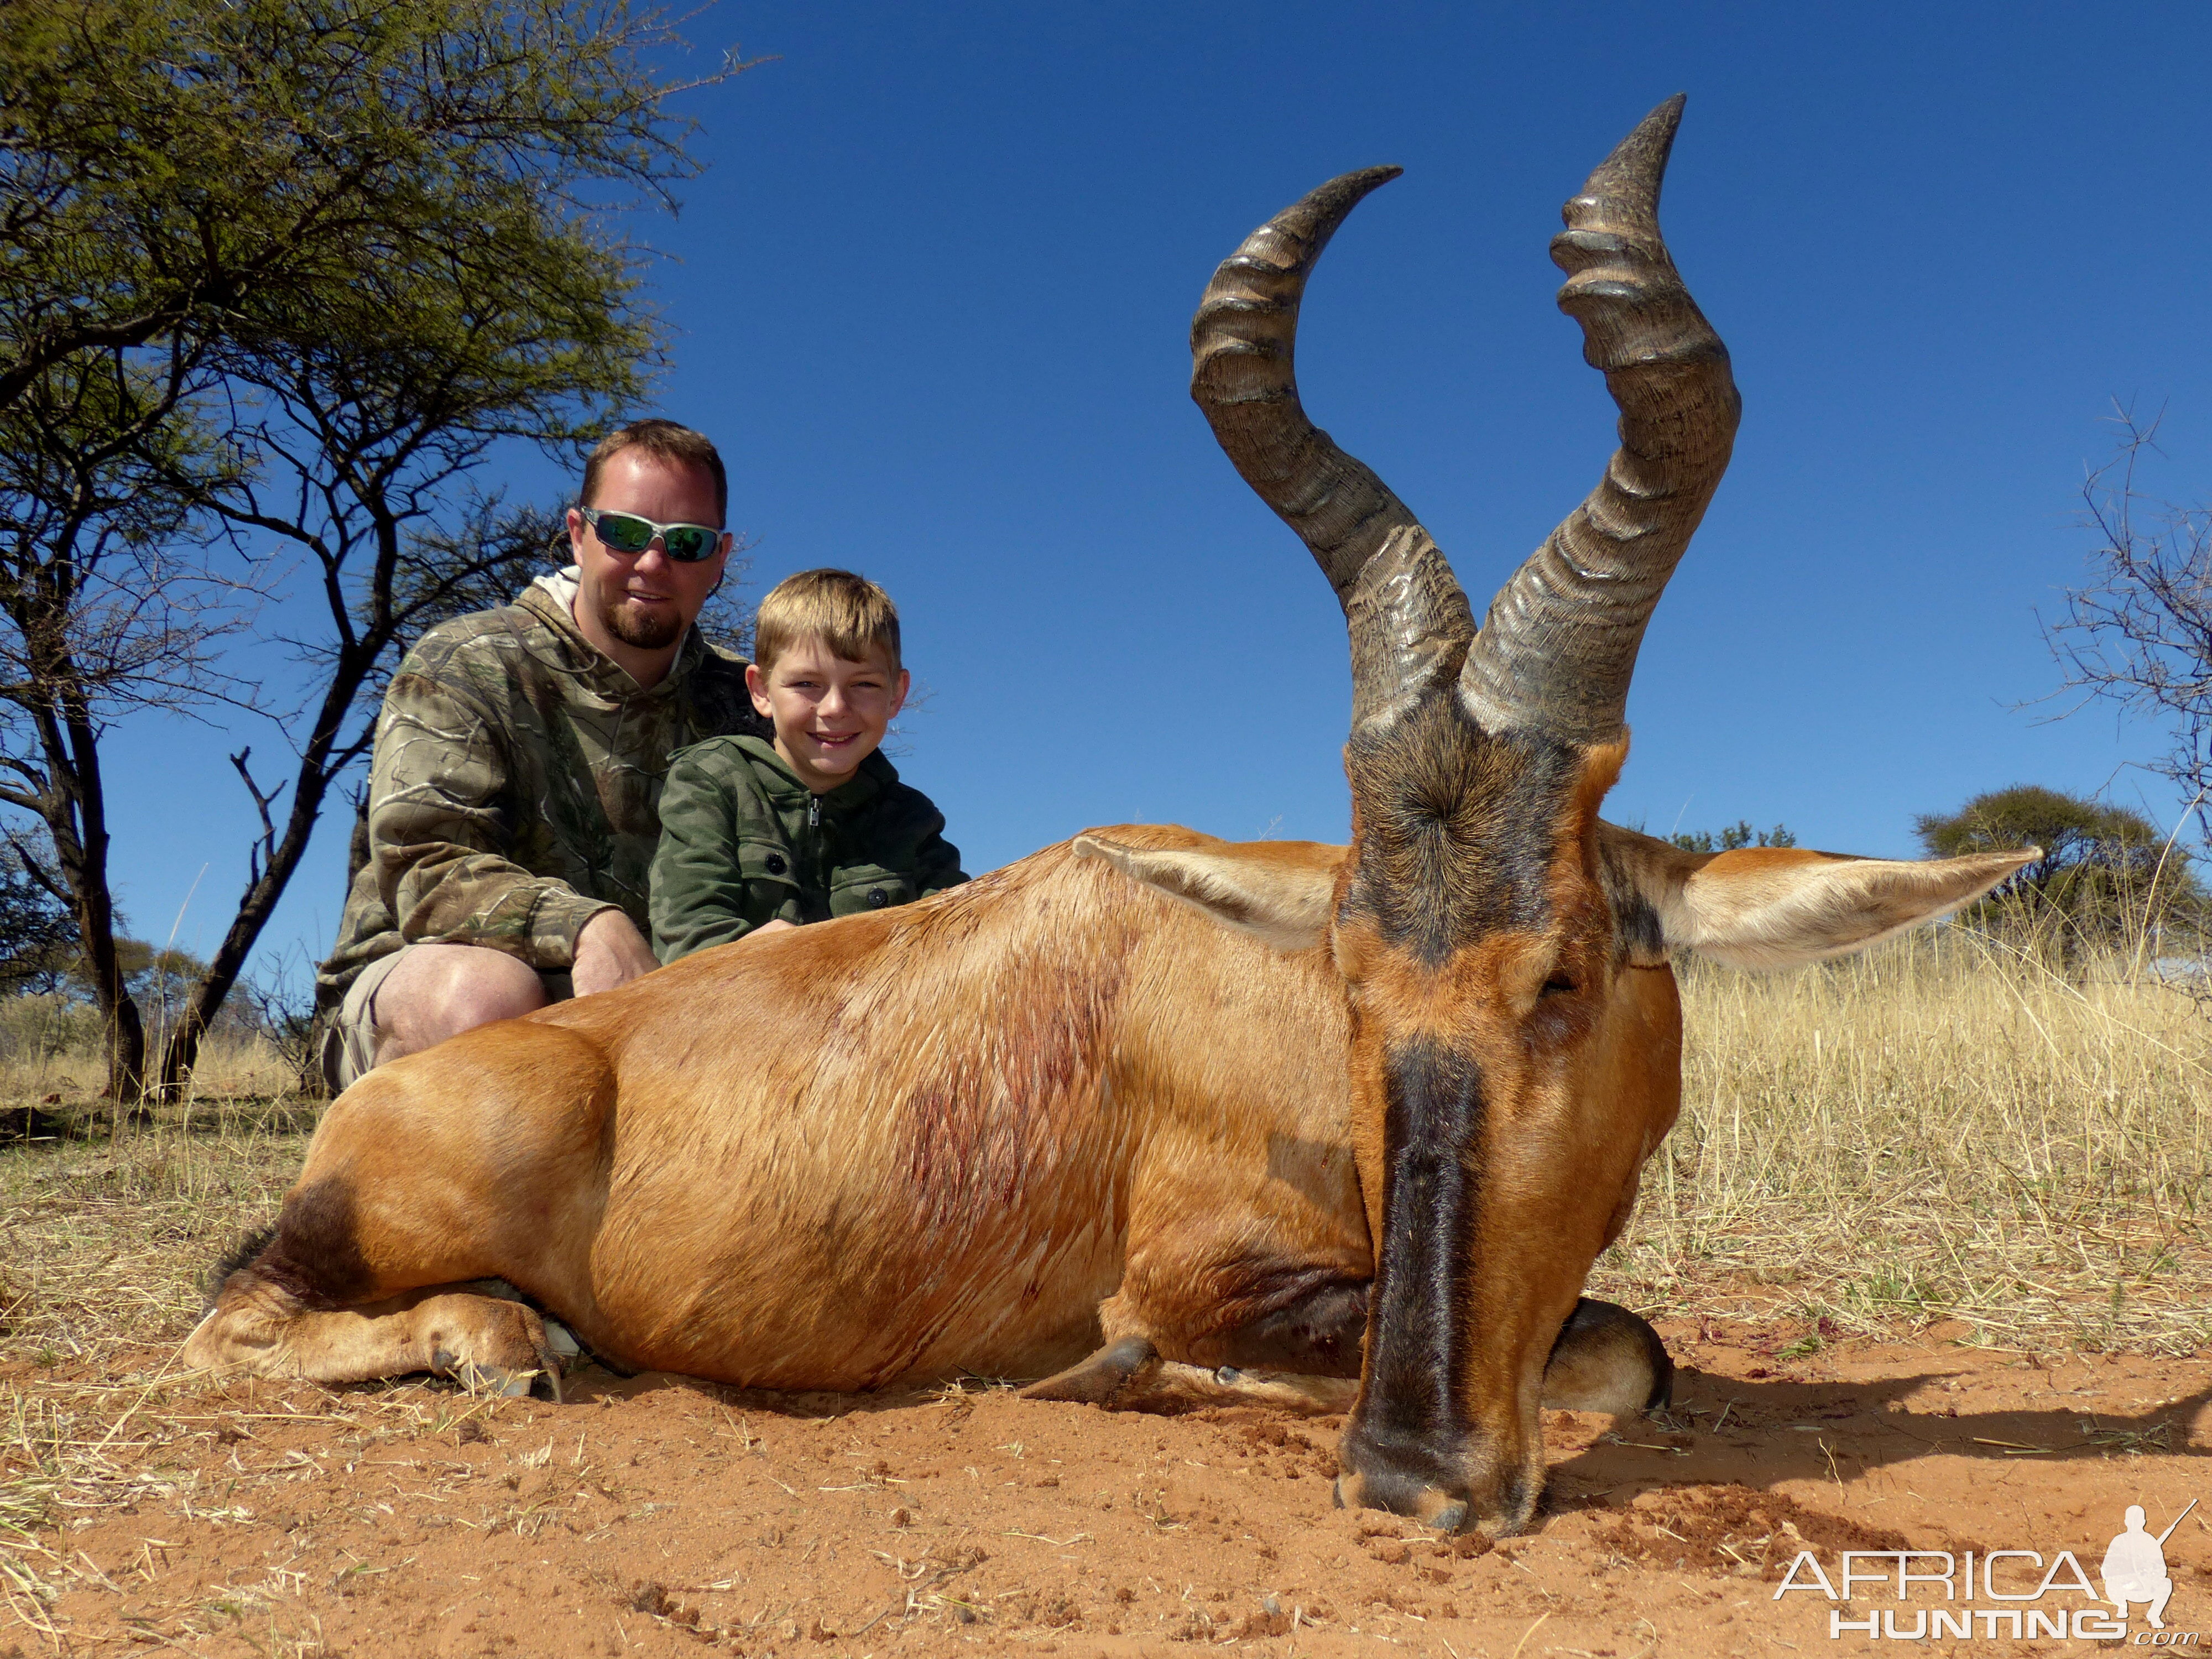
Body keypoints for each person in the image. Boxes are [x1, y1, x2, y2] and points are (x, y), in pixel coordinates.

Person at [315, 418, 766, 1090]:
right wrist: (586, 927)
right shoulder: (465, 662)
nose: (652, 563)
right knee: (484, 998)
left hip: (671, 1015)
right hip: (456, 984)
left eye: (687, 543)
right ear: (579, 534)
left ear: (720, 559)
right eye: (625, 532)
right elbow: (424, 869)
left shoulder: (755, 702)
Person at [650, 568, 966, 962]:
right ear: (761, 691)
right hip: (739, 1012)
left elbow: (958, 937)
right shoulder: (711, 782)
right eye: (806, 684)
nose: (835, 709)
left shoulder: (912, 820)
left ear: (896, 695)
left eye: (864, 684)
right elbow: (689, 937)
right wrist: (772, 957)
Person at [2101, 1505, 2174, 1628]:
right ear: (2126, 1522)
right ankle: (2122, 1607)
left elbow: (2162, 1570)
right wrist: (2127, 1574)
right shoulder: (2119, 1541)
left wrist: (2147, 1574)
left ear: (2143, 1522)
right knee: (2110, 1582)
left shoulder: (2150, 1541)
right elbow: (2108, 1569)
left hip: (2146, 1589)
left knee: (2166, 1583)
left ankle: (2154, 1615)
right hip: (2123, 1589)